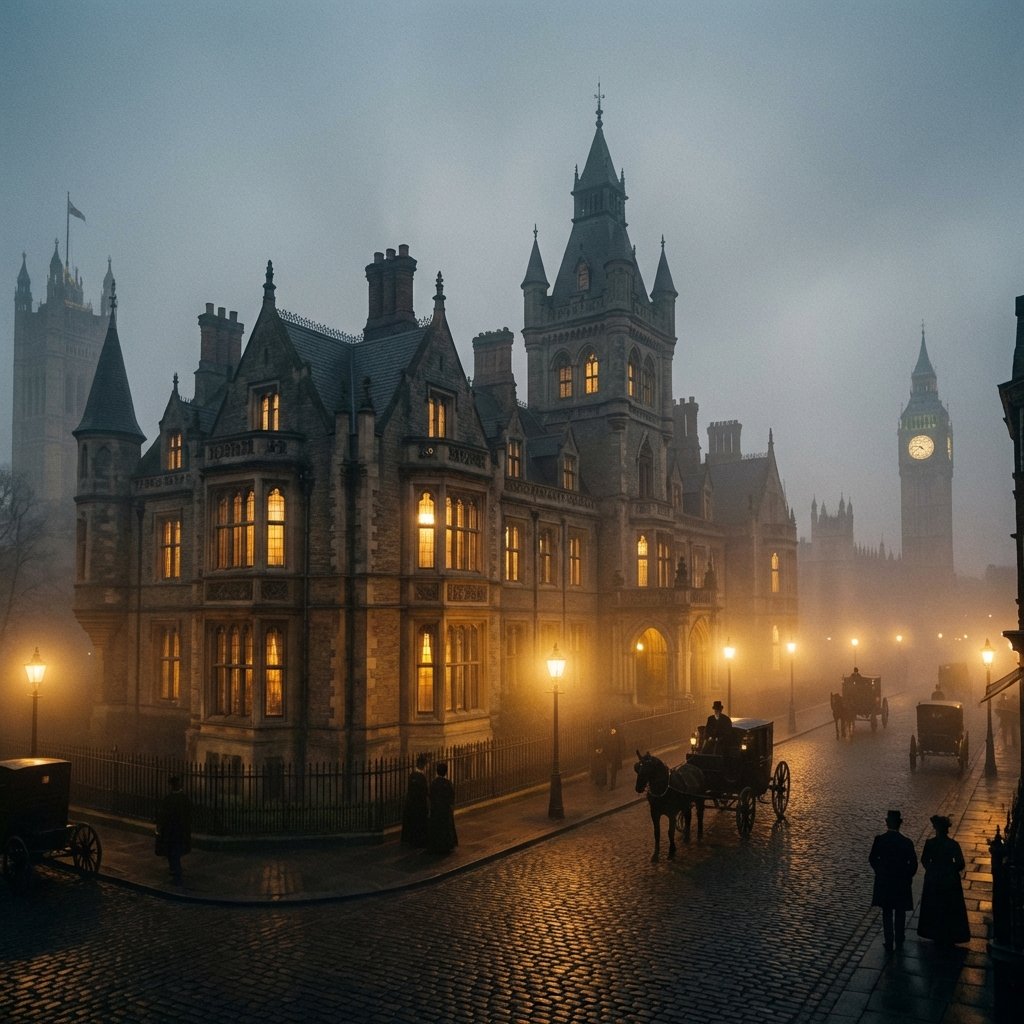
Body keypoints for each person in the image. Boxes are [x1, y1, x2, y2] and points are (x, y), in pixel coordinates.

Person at [869, 808, 918, 952]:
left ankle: (888, 939)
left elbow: (872, 859)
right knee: (900, 911)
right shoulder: (906, 842)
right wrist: (908, 876)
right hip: (901, 881)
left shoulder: (880, 840)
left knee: (887, 911)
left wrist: (880, 871)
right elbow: (913, 863)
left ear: (886, 822)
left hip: (885, 881)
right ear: (900, 823)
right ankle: (900, 937)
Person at [917, 815, 970, 946]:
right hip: (949, 879)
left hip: (934, 879)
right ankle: (949, 932)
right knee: (949, 907)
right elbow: (960, 863)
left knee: (934, 905)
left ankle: (934, 931)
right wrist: (950, 869)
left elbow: (924, 860)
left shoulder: (930, 843)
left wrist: (932, 869)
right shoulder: (953, 844)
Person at [155, 774, 192, 886]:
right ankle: (175, 868)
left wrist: (160, 827)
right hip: (178, 829)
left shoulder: (169, 798)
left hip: (172, 829)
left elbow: (163, 814)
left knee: (172, 850)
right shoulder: (183, 798)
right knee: (175, 850)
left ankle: (175, 868)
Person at [426, 761, 458, 854]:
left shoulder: (433, 783)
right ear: (446, 772)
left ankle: (436, 845)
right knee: (446, 827)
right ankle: (446, 845)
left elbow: (430, 795)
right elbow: (452, 796)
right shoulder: (447, 783)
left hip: (436, 809)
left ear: (437, 771)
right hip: (445, 809)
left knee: (436, 827)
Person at [400, 752, 430, 847]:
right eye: (427, 765)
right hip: (419, 804)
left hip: (411, 804)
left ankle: (412, 840)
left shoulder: (412, 775)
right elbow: (424, 791)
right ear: (423, 765)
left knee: (412, 823)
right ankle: (418, 841)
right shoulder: (421, 777)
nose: (427, 767)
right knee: (419, 823)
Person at [604, 722, 626, 789]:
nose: (613, 731)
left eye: (614, 729)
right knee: (612, 770)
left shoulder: (618, 735)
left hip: (615, 755)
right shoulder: (609, 735)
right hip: (610, 755)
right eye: (612, 729)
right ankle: (610, 784)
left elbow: (621, 744)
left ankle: (612, 785)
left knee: (613, 770)